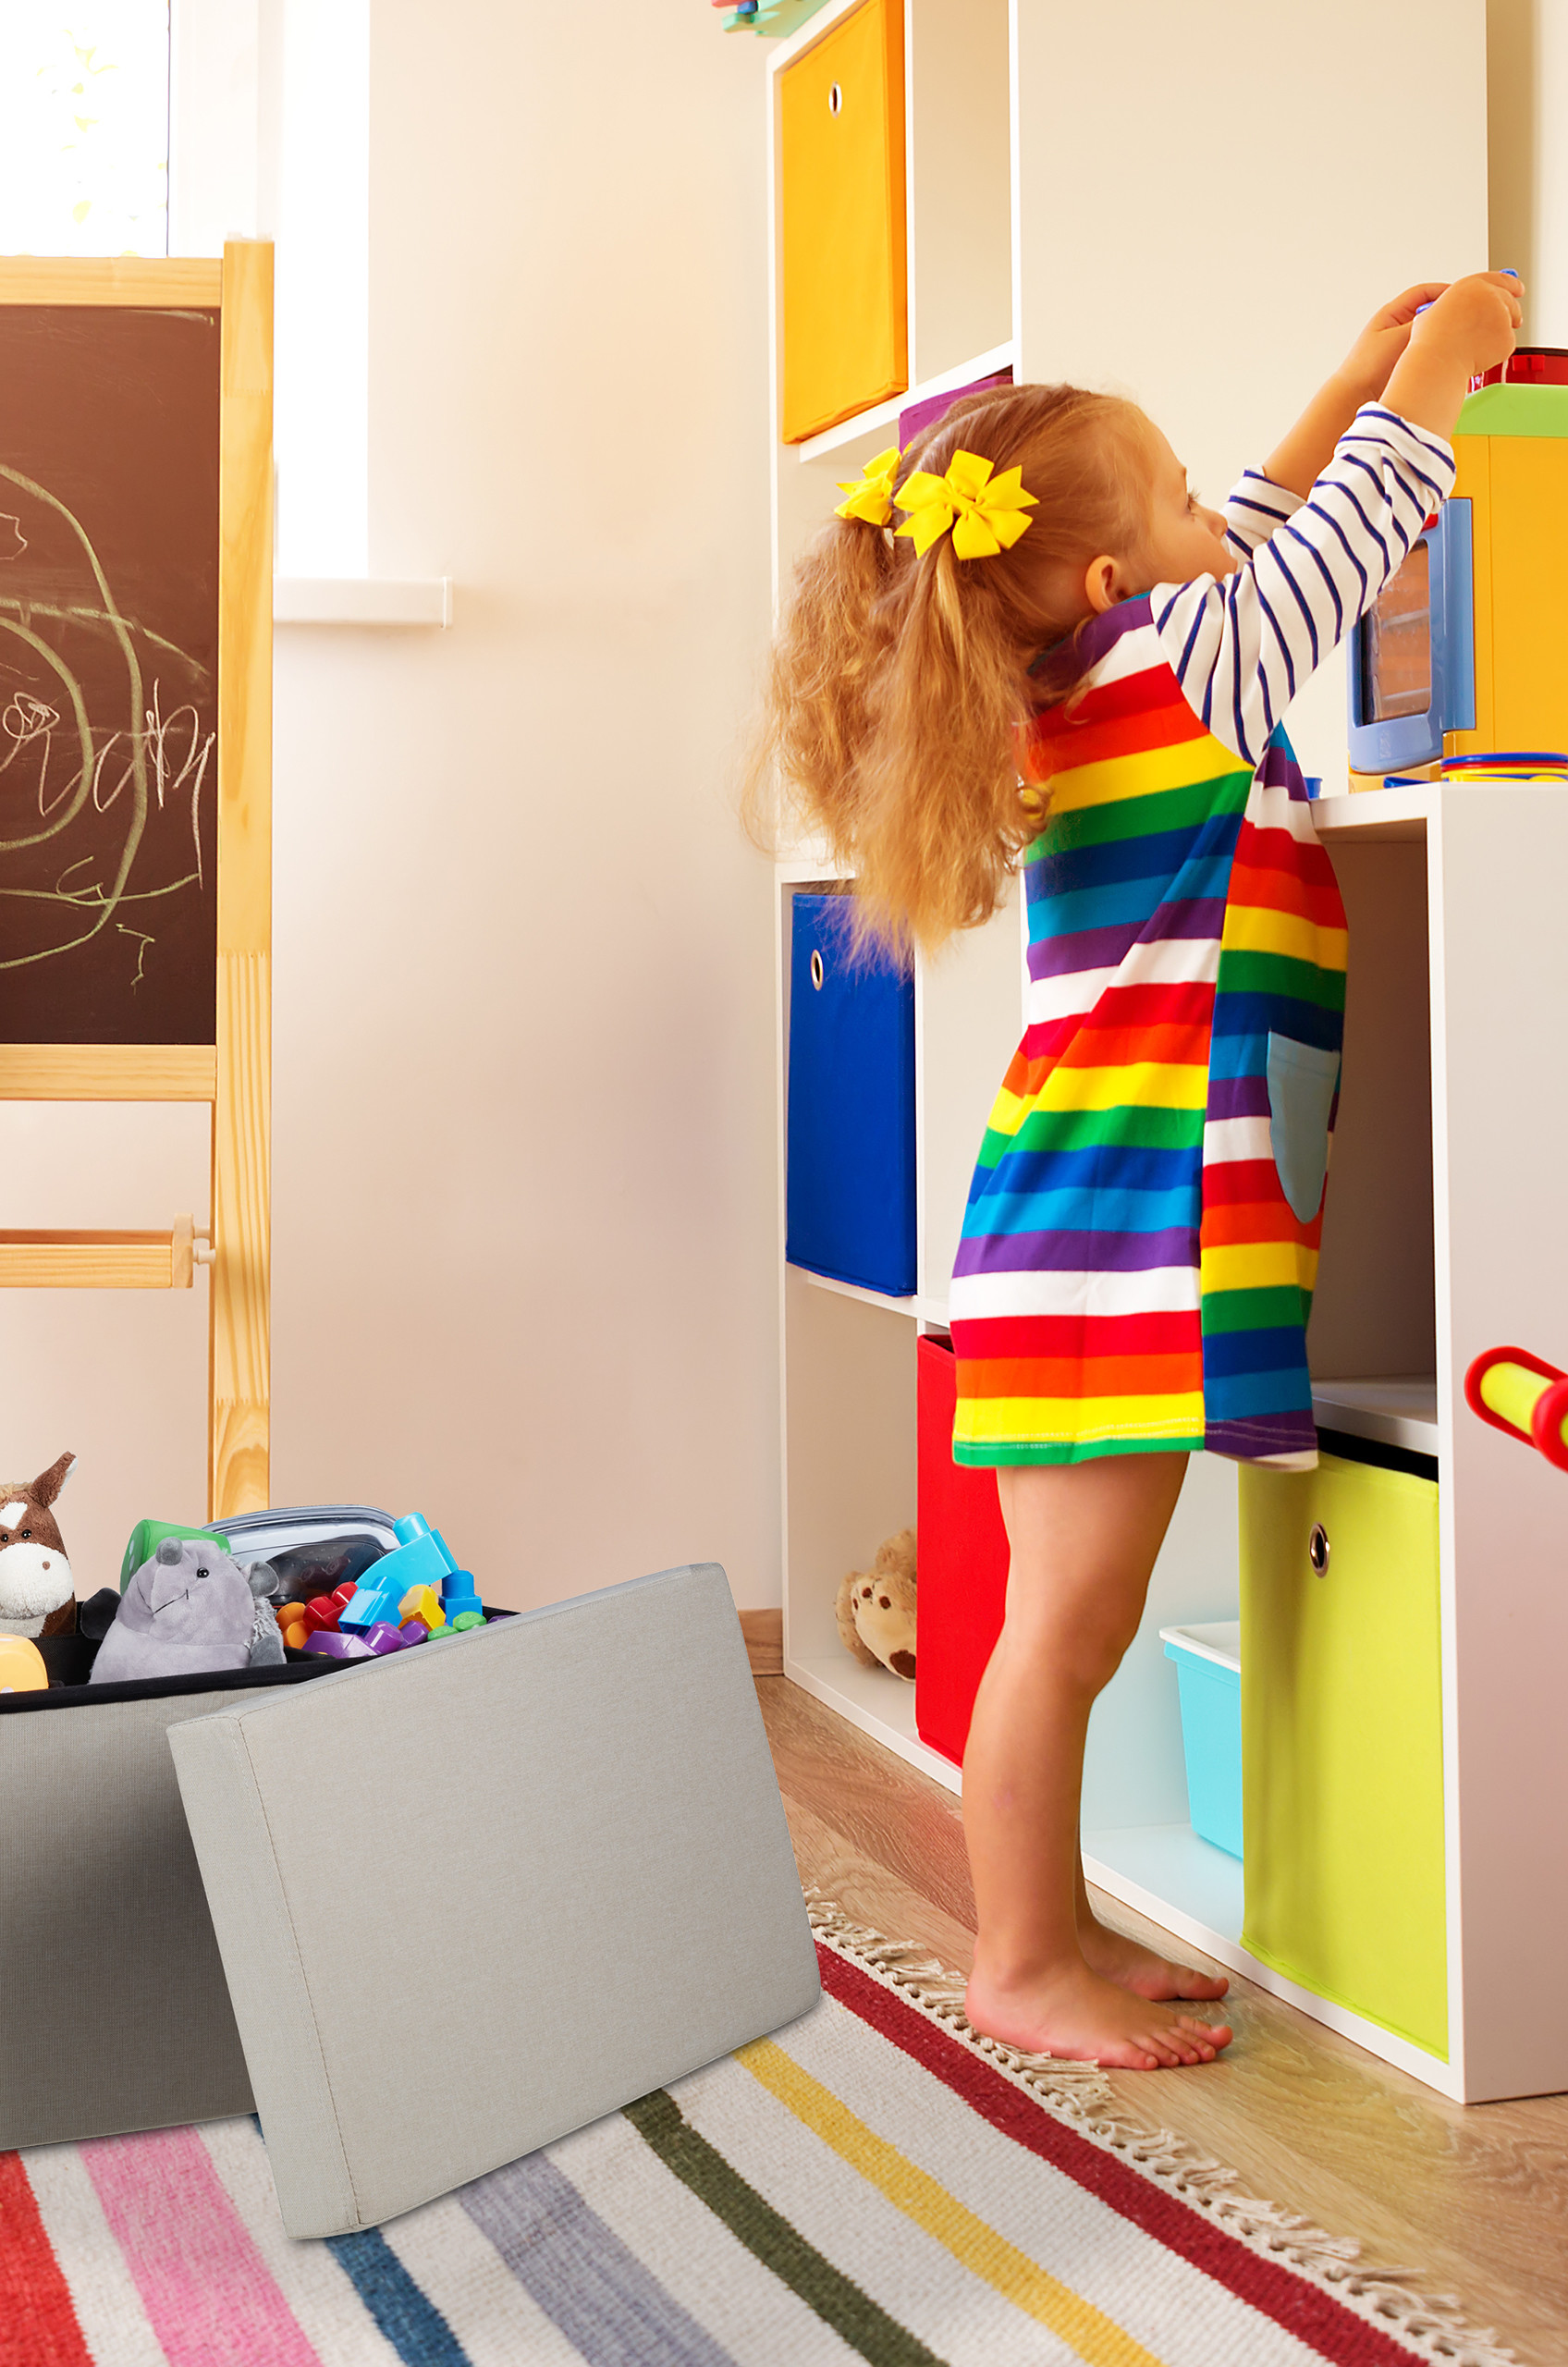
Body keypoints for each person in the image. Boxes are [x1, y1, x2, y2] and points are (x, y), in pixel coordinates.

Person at [751, 273, 1520, 2067]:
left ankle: (1054, 1923)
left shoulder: (1105, 681)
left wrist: (1336, 377)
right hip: (1114, 1252)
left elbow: (1250, 529)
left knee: (1059, 1620)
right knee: (1061, 1632)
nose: (1210, 512)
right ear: (1112, 580)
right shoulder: (1183, 669)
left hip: (1074, 1231)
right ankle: (1016, 1961)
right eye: (1173, 495)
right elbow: (1332, 542)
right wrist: (1431, 372)